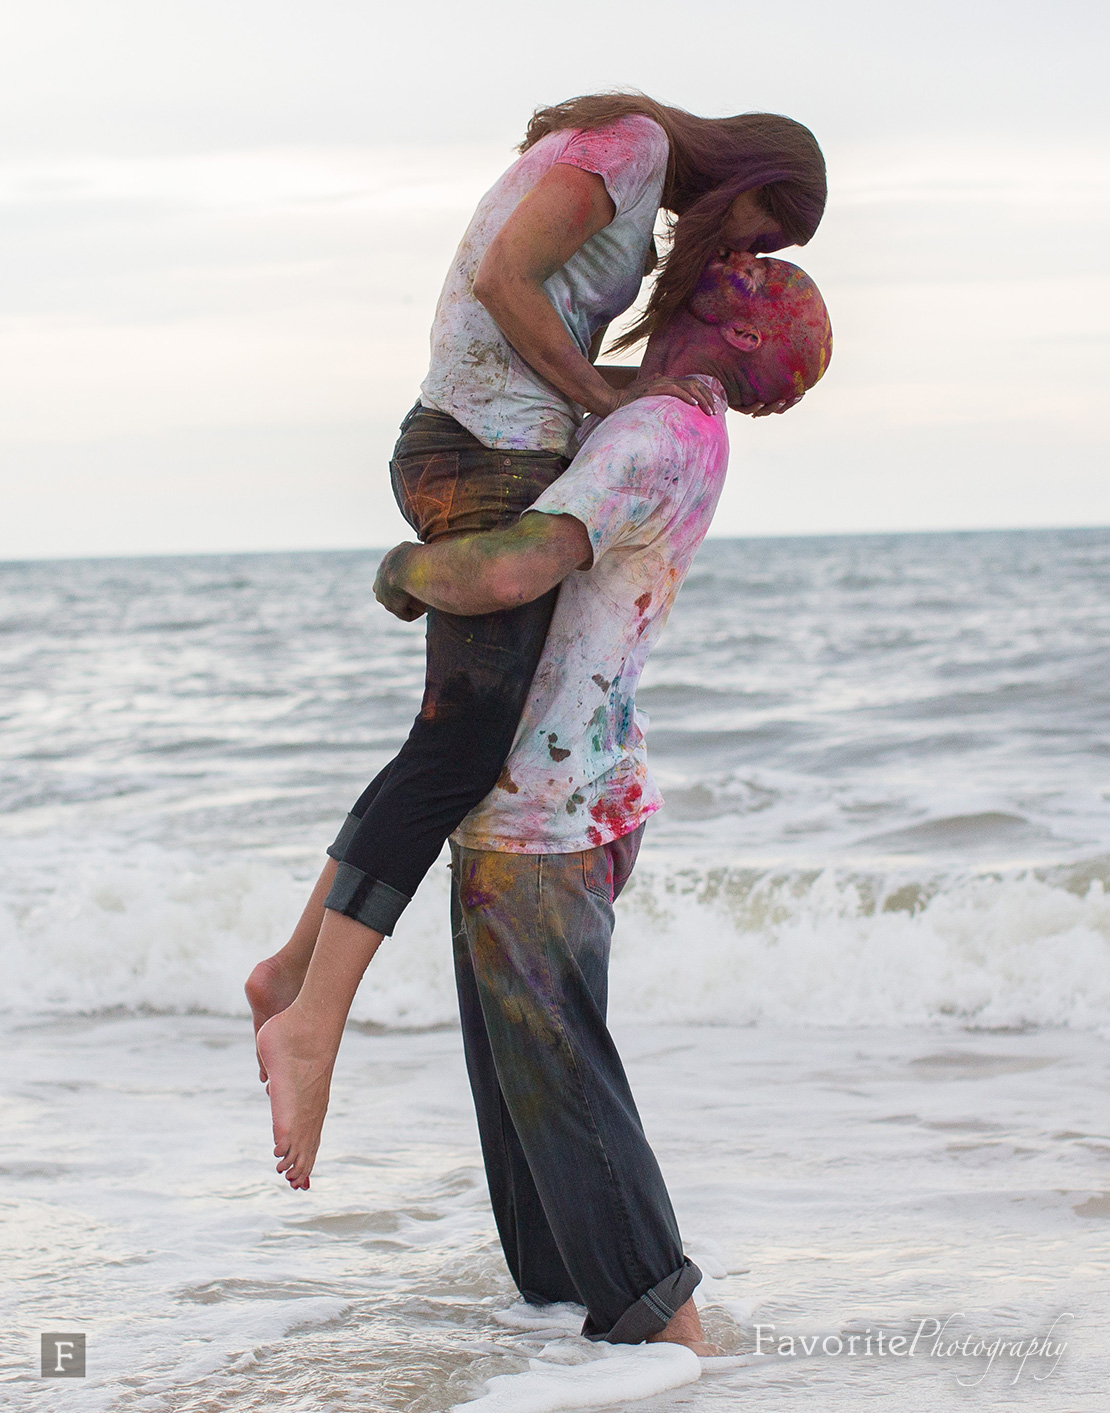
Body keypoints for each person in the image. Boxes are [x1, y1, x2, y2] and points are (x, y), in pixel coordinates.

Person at [254, 249, 833, 1352]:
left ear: (752, 341)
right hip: (560, 797)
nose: (723, 265)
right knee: (524, 1117)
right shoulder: (676, 425)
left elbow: (519, 565)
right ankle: (560, 1348)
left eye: (752, 277)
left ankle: (673, 1335)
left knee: (560, 1084)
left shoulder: (651, 434)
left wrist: (402, 570)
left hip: (547, 816)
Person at [245, 94, 826, 1032]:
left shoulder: (633, 168)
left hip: (491, 438)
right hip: (480, 444)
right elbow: (506, 280)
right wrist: (603, 391)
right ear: (757, 179)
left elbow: (540, 309)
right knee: (458, 744)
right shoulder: (633, 149)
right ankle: (307, 1012)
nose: (749, 255)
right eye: (773, 229)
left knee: (450, 739)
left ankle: (293, 971)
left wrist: (630, 394)